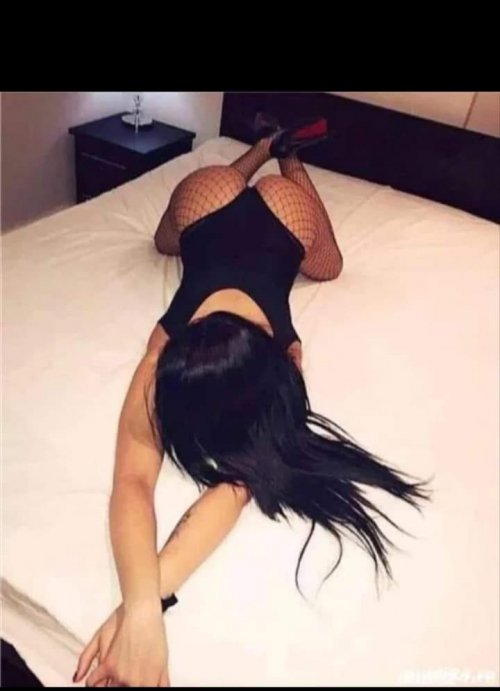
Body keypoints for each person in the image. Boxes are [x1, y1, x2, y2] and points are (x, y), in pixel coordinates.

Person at [73, 116, 430, 687]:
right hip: (278, 214)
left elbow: (166, 481)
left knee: (315, 265)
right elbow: (178, 484)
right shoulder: (212, 357)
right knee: (203, 248)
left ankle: (271, 151)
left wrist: (141, 609)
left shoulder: (206, 351)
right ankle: (280, 153)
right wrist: (142, 610)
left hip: (211, 196)